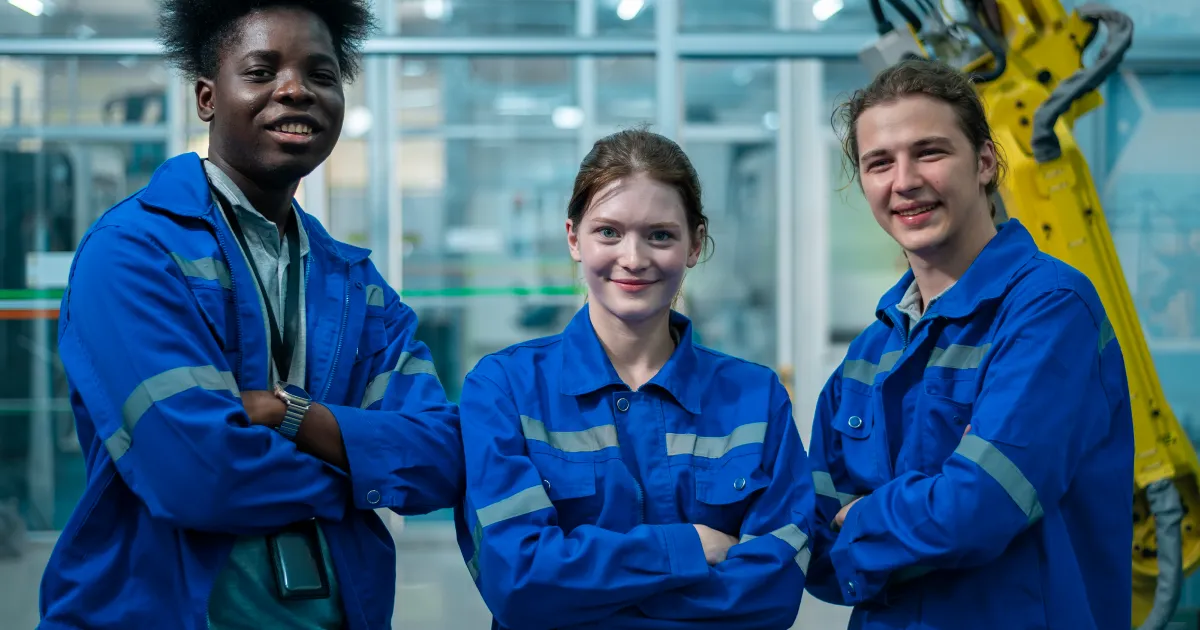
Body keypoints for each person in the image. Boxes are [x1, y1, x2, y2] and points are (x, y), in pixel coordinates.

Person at [38, 1, 462, 628]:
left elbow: (440, 459)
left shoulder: (357, 285)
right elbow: (198, 474)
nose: (295, 90)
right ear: (207, 97)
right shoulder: (132, 253)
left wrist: (287, 413)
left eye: (321, 75)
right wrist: (359, 475)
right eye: (262, 71)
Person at [804, 58, 1134, 628]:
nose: (904, 181)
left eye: (929, 152)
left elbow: (980, 506)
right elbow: (815, 547)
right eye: (879, 162)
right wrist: (917, 519)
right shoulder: (868, 356)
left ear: (984, 161)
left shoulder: (1051, 309)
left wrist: (862, 521)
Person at [453, 128, 816, 630]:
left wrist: (587, 596)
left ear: (695, 244)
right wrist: (687, 547)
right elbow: (517, 583)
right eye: (608, 232)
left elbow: (771, 597)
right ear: (573, 238)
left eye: (660, 234)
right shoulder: (505, 388)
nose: (634, 258)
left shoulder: (755, 398)